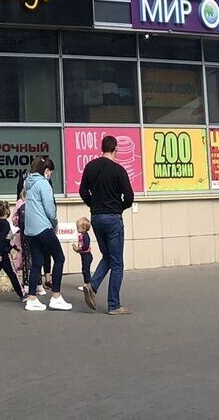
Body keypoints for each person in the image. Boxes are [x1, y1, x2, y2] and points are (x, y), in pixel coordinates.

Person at [78, 134, 135, 316]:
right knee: (117, 262)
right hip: (113, 219)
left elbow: (82, 191)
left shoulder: (90, 166)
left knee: (108, 256)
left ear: (101, 148)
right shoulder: (118, 170)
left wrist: (93, 205)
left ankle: (92, 286)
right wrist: (120, 207)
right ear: (115, 149)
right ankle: (114, 305)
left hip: (96, 218)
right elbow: (129, 196)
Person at [21, 157, 71, 312]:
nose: (50, 175)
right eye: (50, 172)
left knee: (37, 262)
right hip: (43, 227)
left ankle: (31, 299)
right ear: (46, 170)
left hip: (30, 229)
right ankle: (56, 296)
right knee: (59, 258)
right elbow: (50, 208)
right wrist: (55, 223)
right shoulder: (43, 184)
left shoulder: (27, 183)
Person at [74, 216, 93, 287]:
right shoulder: (82, 235)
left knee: (85, 270)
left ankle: (88, 284)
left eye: (78, 227)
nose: (77, 229)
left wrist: (79, 249)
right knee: (84, 269)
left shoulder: (85, 236)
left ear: (84, 228)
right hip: (84, 255)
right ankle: (87, 283)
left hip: (87, 255)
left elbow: (86, 246)